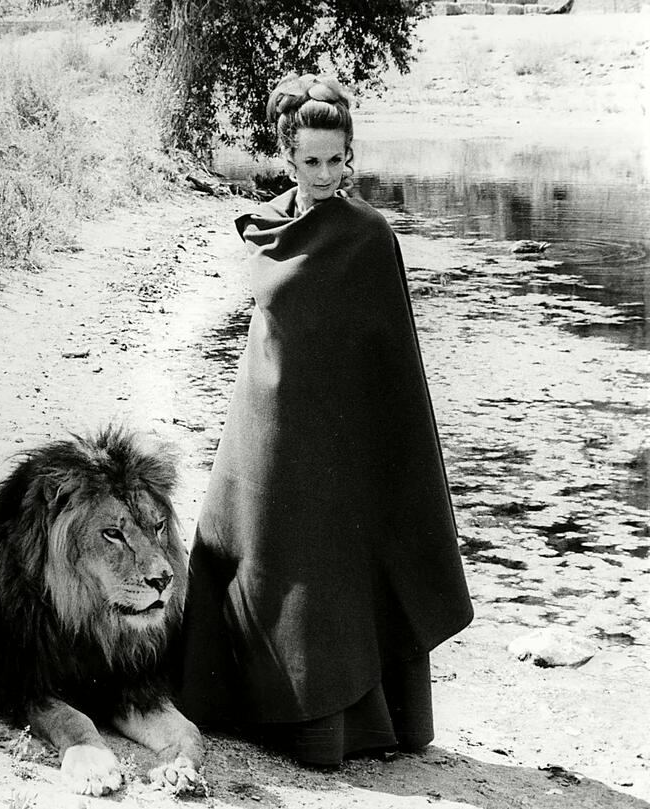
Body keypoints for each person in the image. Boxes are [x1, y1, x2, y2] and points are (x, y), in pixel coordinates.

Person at [176, 73, 473, 766]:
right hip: (268, 421)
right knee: (256, 557)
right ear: (286, 155)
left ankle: (346, 726)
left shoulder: (369, 236)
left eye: (335, 159)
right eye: (309, 160)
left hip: (343, 436)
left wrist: (377, 454)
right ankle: (254, 706)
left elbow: (392, 364)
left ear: (349, 157)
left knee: (332, 565)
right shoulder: (269, 227)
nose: (323, 173)